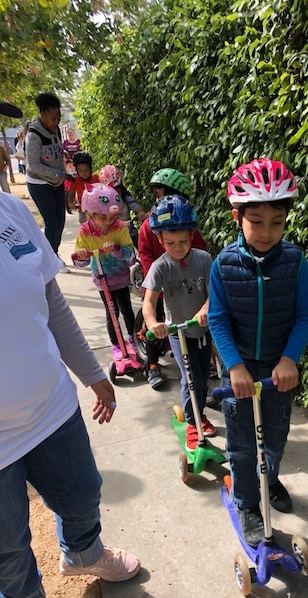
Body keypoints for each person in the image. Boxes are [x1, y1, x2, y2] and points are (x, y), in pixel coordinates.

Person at [0, 96, 140, 598]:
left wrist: (93, 373)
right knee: (7, 543)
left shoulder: (10, 212)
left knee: (83, 493)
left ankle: (83, 553)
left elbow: (52, 303)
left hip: (50, 406)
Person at [208, 158, 308, 546]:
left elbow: (306, 314)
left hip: (277, 370)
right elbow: (218, 319)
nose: (267, 232)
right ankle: (247, 504)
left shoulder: (295, 261)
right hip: (239, 370)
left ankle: (268, 479)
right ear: (237, 217)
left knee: (274, 437)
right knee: (242, 444)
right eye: (256, 221)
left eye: (277, 222)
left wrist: (289, 358)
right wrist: (234, 366)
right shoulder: (223, 265)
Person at [142, 195, 216, 450]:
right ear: (160, 240)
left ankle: (198, 413)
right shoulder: (160, 267)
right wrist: (153, 323)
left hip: (202, 330)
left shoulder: (204, 259)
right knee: (190, 378)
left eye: (183, 241)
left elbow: (213, 294)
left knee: (203, 379)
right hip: (178, 332)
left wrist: (205, 309)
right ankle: (193, 424)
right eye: (170, 243)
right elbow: (148, 303)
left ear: (192, 235)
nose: (177, 248)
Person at [138, 168, 208, 390]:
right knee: (155, 322)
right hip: (163, 284)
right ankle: (152, 364)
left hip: (191, 290)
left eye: (164, 194)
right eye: (158, 195)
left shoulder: (192, 235)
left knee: (200, 375)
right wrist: (156, 280)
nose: (178, 247)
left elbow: (202, 255)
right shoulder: (150, 226)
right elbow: (145, 255)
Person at [73, 183, 137, 359]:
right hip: (102, 279)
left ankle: (133, 337)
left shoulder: (120, 227)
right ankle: (116, 343)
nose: (108, 222)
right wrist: (82, 256)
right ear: (90, 214)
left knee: (126, 308)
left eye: (112, 217)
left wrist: (116, 250)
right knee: (111, 312)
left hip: (121, 277)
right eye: (103, 217)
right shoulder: (85, 231)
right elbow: (80, 261)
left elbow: (129, 252)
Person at [25, 92, 72, 273]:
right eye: (53, 119)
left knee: (60, 221)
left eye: (58, 118)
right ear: (42, 114)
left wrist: (62, 155)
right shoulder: (33, 135)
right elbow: (34, 165)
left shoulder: (56, 130)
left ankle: (53, 254)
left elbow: (54, 150)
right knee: (51, 223)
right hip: (39, 184)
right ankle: (50, 260)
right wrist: (60, 174)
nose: (56, 122)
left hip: (56, 182)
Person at [98, 164, 147, 248]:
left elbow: (136, 206)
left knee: (142, 247)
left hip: (129, 233)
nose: (116, 192)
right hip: (112, 237)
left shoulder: (125, 197)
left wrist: (141, 214)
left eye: (117, 187)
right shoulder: (101, 204)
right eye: (112, 189)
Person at [67, 151, 99, 224]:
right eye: (80, 170)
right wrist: (70, 203)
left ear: (90, 169)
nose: (84, 173)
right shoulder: (76, 181)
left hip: (97, 209)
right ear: (77, 171)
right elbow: (70, 193)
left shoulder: (96, 178)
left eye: (86, 170)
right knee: (84, 225)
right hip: (83, 209)